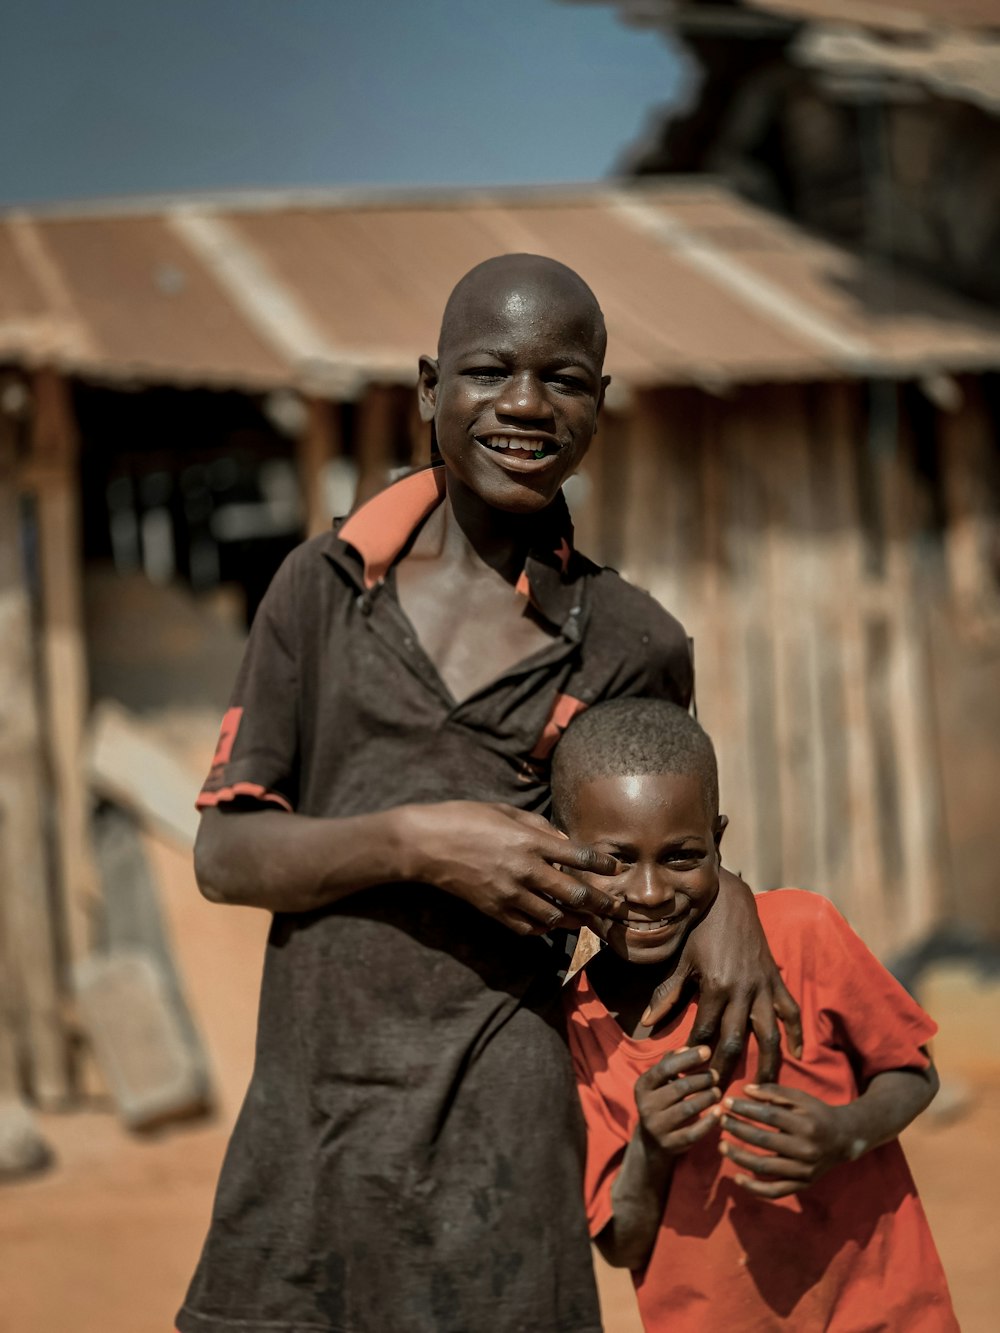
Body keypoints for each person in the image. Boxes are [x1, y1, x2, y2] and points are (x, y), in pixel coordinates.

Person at [176, 254, 800, 1333]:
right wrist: (418, 841)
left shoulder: (628, 640)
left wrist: (729, 895)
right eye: (487, 370)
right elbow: (225, 857)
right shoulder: (324, 593)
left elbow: (658, 857)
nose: (523, 403)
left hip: (504, 1137)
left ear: (599, 406)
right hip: (311, 1122)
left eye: (563, 378)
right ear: (429, 389)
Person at [556, 697, 957, 1331]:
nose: (650, 891)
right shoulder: (576, 1027)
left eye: (682, 856)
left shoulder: (800, 934)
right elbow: (621, 1243)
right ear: (565, 850)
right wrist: (652, 1146)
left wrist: (843, 1133)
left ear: (718, 840)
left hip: (882, 1310)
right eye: (615, 861)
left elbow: (913, 1072)